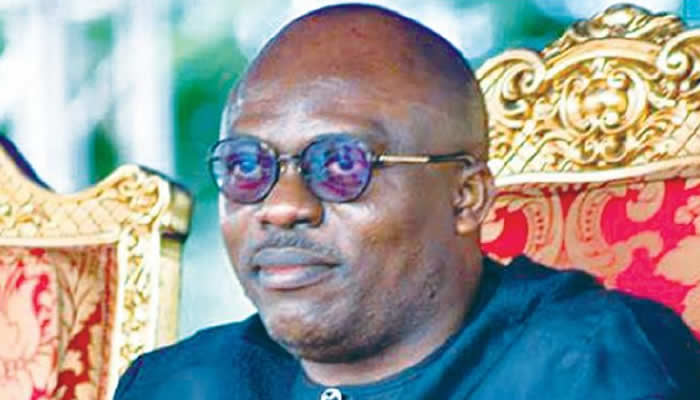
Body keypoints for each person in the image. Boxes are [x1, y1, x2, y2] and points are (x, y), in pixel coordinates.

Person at [114, 4, 700, 399]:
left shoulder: (589, 366)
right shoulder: (179, 383)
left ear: (466, 197)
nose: (281, 206)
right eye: (248, 167)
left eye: (341, 164)